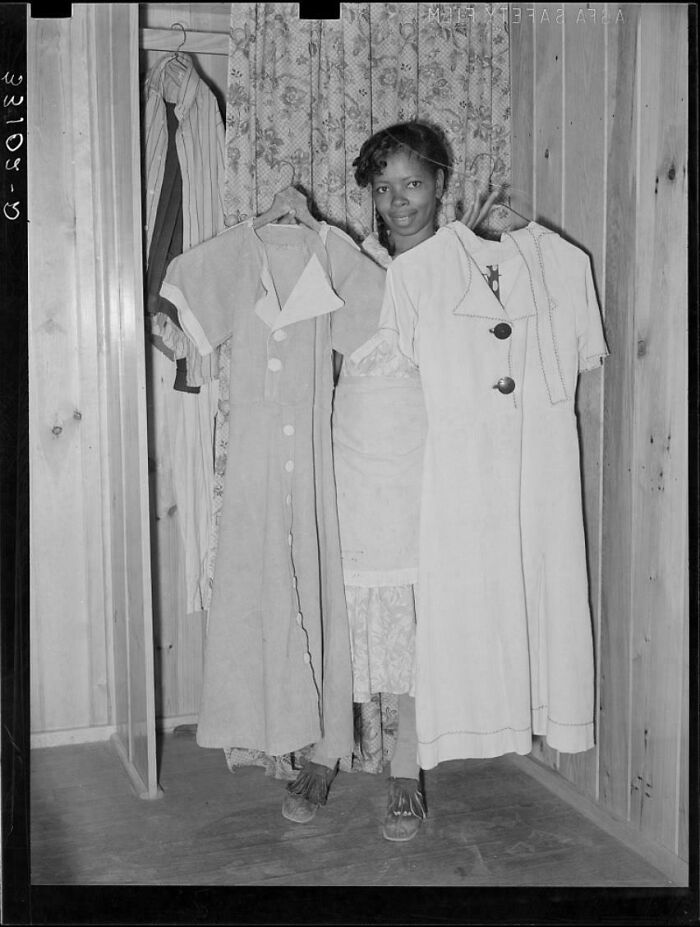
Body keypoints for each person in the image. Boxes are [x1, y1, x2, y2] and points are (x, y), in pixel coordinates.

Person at [283, 121, 493, 840]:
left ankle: (407, 771)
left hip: (426, 475)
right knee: (344, 619)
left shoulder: (466, 268)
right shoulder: (352, 262)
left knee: (412, 624)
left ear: (441, 183)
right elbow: (287, 339)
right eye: (384, 186)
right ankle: (325, 753)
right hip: (351, 470)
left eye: (413, 183)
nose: (399, 201)